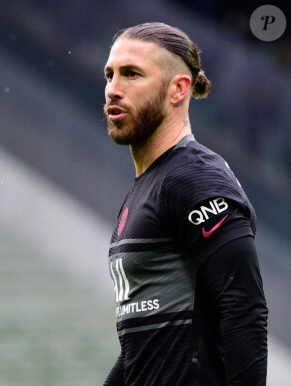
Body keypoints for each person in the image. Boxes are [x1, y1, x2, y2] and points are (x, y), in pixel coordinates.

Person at [102, 22, 268, 385]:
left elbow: (244, 310)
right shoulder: (150, 186)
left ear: (179, 89)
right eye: (110, 75)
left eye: (131, 74)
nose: (113, 89)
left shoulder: (194, 177)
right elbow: (142, 345)